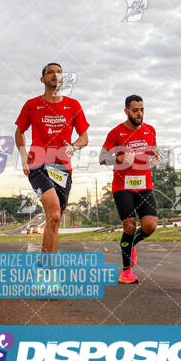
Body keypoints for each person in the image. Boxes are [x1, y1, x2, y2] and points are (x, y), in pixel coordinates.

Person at [15, 62, 89, 252]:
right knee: (54, 215)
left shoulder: (73, 106)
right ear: (42, 79)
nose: (55, 75)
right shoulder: (32, 105)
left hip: (62, 169)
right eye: (50, 72)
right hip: (38, 165)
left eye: (58, 72)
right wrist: (23, 156)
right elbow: (20, 131)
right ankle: (49, 268)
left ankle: (45, 258)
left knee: (54, 219)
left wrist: (73, 146)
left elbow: (84, 138)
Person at [100, 95, 161, 284]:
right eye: (135, 110)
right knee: (129, 226)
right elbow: (102, 158)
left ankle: (131, 243)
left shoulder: (150, 130)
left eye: (142, 109)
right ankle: (126, 271)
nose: (139, 113)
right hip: (122, 186)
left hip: (144, 185)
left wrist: (155, 156)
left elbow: (154, 150)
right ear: (126, 111)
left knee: (150, 226)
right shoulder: (116, 132)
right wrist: (117, 159)